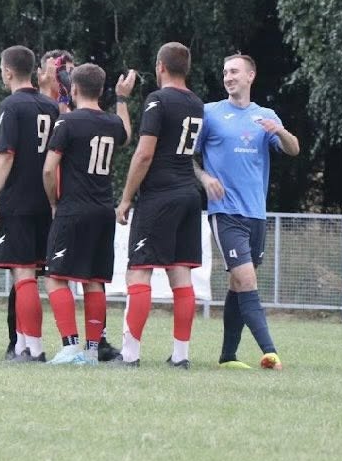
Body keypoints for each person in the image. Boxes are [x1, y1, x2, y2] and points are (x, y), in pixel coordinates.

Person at [193, 53, 300, 370]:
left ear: (250, 76)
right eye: (225, 72)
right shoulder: (210, 113)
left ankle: (227, 357)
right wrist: (205, 178)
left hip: (256, 215)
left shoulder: (265, 116)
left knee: (238, 285)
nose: (228, 77)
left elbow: (293, 149)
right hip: (225, 212)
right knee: (247, 281)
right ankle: (271, 353)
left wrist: (279, 131)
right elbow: (186, 156)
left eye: (234, 71)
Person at [114, 42, 206, 369]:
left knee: (139, 272)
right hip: (188, 194)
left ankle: (129, 355)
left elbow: (144, 154)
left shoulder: (158, 100)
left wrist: (126, 198)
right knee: (181, 276)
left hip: (160, 196)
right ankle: (180, 356)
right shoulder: (197, 103)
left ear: (160, 67)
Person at [42, 63, 136, 365]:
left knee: (55, 277)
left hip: (74, 209)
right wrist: (122, 99)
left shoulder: (67, 122)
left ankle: (70, 347)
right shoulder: (111, 123)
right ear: (101, 90)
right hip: (103, 210)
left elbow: (49, 169)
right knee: (94, 281)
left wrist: (53, 202)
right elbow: (127, 135)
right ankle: (93, 350)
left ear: (74, 89)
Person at [0, 45, 59, 362]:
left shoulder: (11, 106)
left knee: (23, 275)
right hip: (46, 201)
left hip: (18, 200)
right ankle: (24, 346)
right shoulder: (51, 106)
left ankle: (32, 349)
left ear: (8, 71)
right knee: (32, 275)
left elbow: (5, 155)